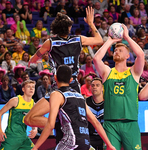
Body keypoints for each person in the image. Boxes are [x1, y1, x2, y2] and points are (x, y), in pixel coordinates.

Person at [25, 6, 103, 143]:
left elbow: (35, 58)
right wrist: (91, 23)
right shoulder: (78, 39)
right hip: (74, 89)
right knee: (91, 120)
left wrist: (33, 60)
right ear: (68, 28)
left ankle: (58, 124)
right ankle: (63, 125)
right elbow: (99, 40)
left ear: (55, 29)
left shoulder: (51, 43)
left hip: (58, 89)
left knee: (30, 118)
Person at [31, 64, 115, 150]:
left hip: (70, 144)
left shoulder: (56, 94)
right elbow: (95, 122)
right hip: (85, 143)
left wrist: (36, 147)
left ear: (55, 78)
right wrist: (109, 144)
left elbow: (50, 124)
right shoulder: (80, 97)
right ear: (71, 80)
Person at [93, 24, 144, 150]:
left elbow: (141, 55)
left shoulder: (133, 72)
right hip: (110, 124)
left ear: (128, 56)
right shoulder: (107, 72)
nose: (116, 51)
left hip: (130, 123)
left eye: (120, 50)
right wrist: (110, 41)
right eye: (115, 50)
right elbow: (96, 59)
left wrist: (126, 36)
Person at [0, 80, 37, 150]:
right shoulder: (15, 100)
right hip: (11, 138)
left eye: (33, 87)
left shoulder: (34, 104)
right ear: (23, 89)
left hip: (24, 138)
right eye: (29, 87)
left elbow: (33, 120)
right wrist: (0, 131)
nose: (31, 88)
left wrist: (35, 129)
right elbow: (0, 113)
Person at [86, 77, 104, 149]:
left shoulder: (109, 102)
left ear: (102, 88)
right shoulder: (85, 102)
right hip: (90, 138)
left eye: (97, 85)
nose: (94, 87)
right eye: (92, 85)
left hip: (104, 138)